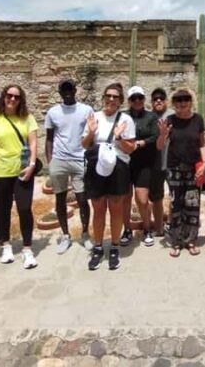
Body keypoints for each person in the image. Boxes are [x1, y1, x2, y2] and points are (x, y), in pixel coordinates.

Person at [0, 84, 39, 269]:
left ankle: (27, 248)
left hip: (22, 171)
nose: (12, 99)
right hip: (0, 172)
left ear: (21, 99)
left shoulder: (27, 118)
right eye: (9, 96)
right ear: (3, 97)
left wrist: (31, 165)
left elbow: (33, 143)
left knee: (24, 208)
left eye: (16, 96)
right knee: (2, 209)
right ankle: (5, 244)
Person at [82, 83, 136, 270]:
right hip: (96, 166)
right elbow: (85, 145)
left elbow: (131, 148)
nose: (111, 99)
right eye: (108, 96)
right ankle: (98, 246)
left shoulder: (125, 120)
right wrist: (91, 132)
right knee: (98, 208)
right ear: (103, 97)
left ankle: (114, 246)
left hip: (118, 167)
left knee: (116, 207)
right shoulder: (94, 117)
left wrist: (119, 137)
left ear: (120, 101)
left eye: (115, 97)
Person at [44, 78, 94, 254]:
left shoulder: (86, 110)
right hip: (59, 159)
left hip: (80, 159)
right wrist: (50, 161)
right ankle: (65, 236)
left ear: (75, 90)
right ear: (59, 92)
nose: (67, 92)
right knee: (60, 199)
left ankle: (86, 234)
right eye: (64, 89)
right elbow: (49, 138)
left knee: (82, 199)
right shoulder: (53, 112)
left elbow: (91, 134)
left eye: (70, 88)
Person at [157, 88, 205, 257]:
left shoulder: (198, 120)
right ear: (173, 103)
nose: (182, 102)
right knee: (176, 204)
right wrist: (163, 134)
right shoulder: (169, 120)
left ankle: (190, 240)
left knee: (192, 205)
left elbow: (202, 144)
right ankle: (176, 241)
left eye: (185, 99)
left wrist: (204, 164)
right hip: (174, 169)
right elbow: (160, 146)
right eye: (178, 99)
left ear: (191, 101)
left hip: (193, 169)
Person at [124, 85, 160, 247]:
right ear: (129, 101)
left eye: (140, 98)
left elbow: (155, 135)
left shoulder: (151, 117)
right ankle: (127, 230)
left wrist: (140, 143)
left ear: (144, 99)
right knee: (125, 199)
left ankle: (147, 229)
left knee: (142, 200)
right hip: (124, 162)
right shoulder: (123, 116)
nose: (137, 101)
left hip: (144, 163)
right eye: (133, 98)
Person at [149, 87, 173, 236]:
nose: (158, 100)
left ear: (165, 101)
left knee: (174, 195)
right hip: (155, 163)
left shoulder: (173, 116)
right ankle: (159, 227)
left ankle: (171, 222)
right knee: (156, 197)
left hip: (172, 161)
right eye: (155, 98)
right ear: (151, 102)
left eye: (161, 98)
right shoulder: (148, 117)